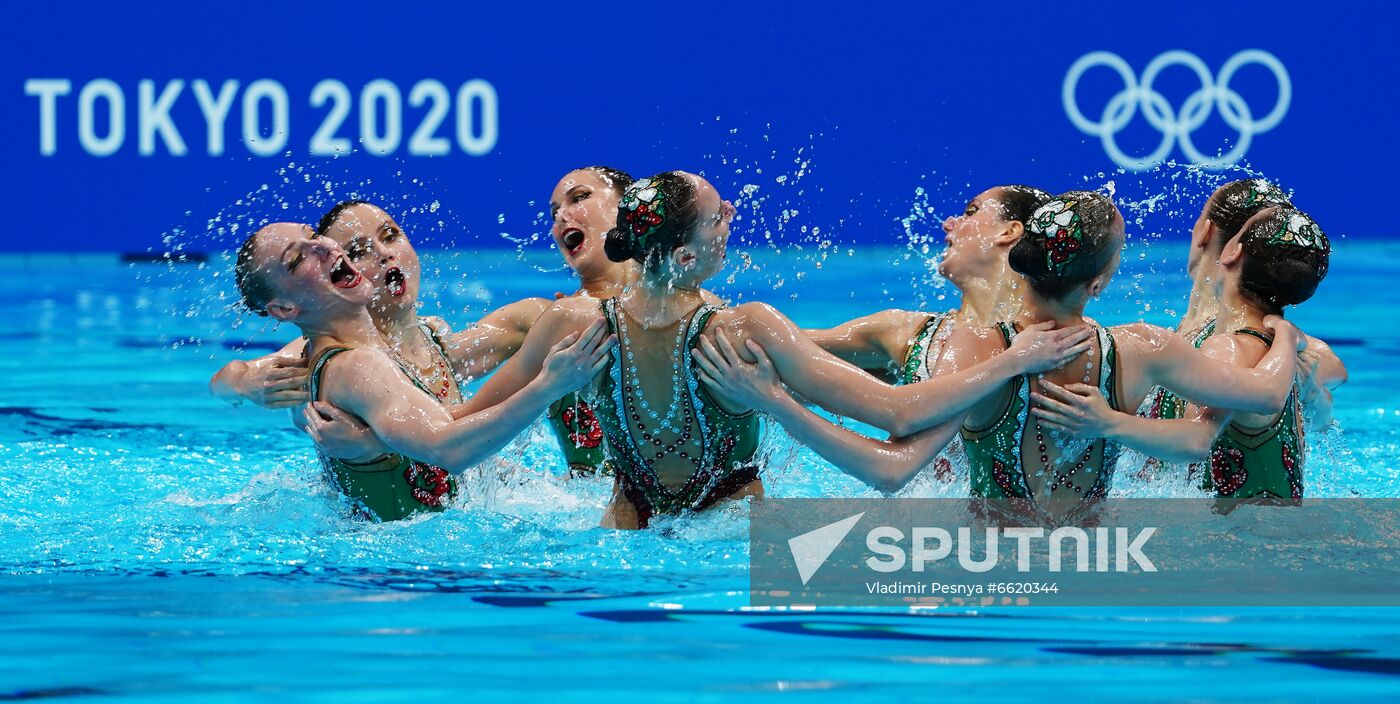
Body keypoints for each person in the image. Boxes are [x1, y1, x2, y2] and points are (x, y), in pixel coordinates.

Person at [460, 172, 1096, 528]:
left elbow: (452, 434)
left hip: (621, 529)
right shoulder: (746, 329)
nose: (732, 217)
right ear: (685, 254)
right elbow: (895, 424)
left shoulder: (570, 323)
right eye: (718, 218)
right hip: (732, 538)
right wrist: (1012, 361)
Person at [694, 191, 1303, 519]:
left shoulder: (978, 352)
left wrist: (771, 399)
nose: (950, 224)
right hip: (1105, 563)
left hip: (986, 570)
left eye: (968, 213)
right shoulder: (1143, 348)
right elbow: (1260, 399)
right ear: (1098, 283)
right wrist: (1285, 335)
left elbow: (888, 465)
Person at [232, 222, 613, 521]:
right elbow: (450, 446)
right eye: (298, 260)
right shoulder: (355, 365)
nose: (323, 247)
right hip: (413, 572)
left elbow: (448, 444)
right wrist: (549, 385)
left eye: (314, 236)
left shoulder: (376, 354)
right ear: (284, 310)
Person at [1031, 205, 1335, 500]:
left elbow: (1196, 439)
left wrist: (1109, 422)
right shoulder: (1279, 354)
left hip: (1234, 542)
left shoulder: (1230, 347)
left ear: (1232, 252)